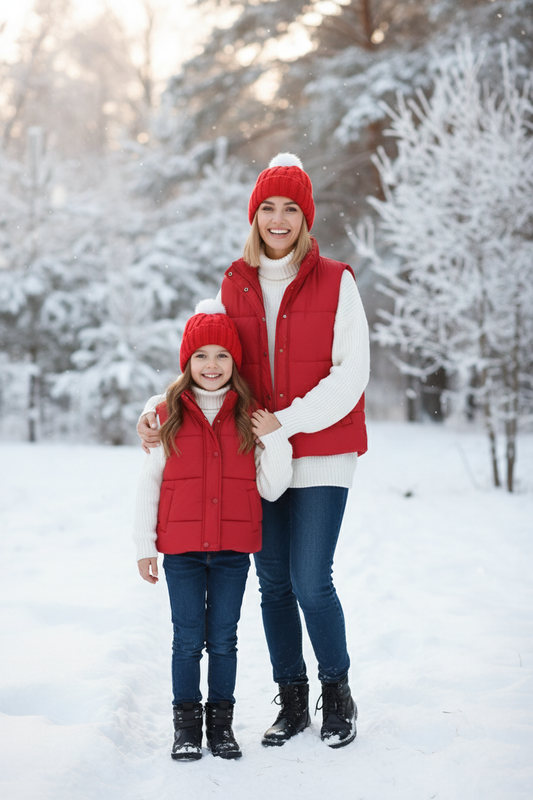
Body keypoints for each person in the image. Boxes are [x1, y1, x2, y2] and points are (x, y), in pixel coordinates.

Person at [138, 153, 370, 750]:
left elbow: (352, 376)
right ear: (254, 215)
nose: (278, 219)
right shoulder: (234, 281)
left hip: (320, 449)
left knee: (311, 579)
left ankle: (336, 692)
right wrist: (155, 408)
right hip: (255, 458)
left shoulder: (336, 279)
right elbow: (207, 360)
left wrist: (283, 423)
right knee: (272, 583)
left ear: (306, 217)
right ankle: (291, 698)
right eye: (268, 207)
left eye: (291, 208)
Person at [133, 299, 292, 761]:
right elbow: (150, 482)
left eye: (222, 355)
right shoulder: (166, 415)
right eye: (201, 355)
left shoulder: (249, 414)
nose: (211, 365)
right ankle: (186, 727)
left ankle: (220, 727)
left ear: (234, 362)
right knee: (186, 639)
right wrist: (144, 545)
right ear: (187, 361)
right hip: (181, 551)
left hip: (231, 552)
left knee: (223, 639)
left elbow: (272, 486)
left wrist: (276, 437)